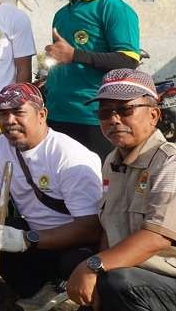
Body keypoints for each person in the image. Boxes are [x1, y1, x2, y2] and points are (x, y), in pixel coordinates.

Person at [0, 82, 103, 310]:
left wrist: (26, 239)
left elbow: (90, 228)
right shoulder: (1, 145)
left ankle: (65, 291)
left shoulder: (70, 156)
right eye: (3, 113)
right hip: (33, 237)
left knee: (75, 262)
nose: (9, 121)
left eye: (18, 112)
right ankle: (39, 291)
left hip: (72, 242)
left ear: (41, 114)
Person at [66, 69, 176, 311]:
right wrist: (96, 272)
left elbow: (157, 238)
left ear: (154, 115)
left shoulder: (170, 163)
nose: (114, 119)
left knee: (119, 282)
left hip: (163, 277)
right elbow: (109, 227)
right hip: (133, 271)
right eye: (105, 112)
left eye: (126, 110)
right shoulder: (112, 162)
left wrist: (94, 266)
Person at [43, 0, 140, 158]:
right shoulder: (62, 13)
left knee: (98, 189)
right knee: (59, 188)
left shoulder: (114, 8)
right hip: (56, 115)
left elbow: (128, 61)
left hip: (94, 119)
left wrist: (75, 55)